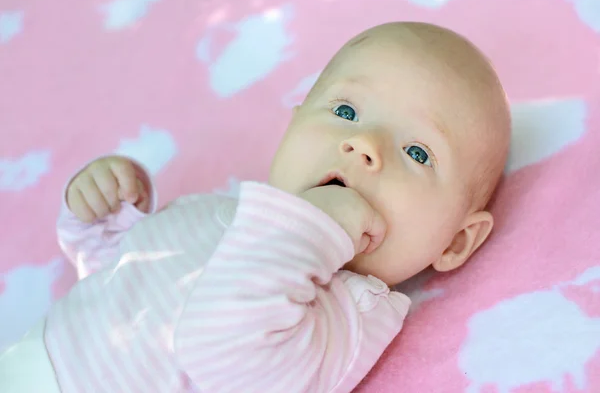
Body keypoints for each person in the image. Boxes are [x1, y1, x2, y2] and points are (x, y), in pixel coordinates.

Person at [0, 21, 511, 393]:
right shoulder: (225, 214)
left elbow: (225, 352)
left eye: (417, 152)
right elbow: (113, 275)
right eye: (346, 111)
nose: (363, 144)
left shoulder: (352, 312)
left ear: (456, 241)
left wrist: (311, 231)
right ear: (292, 126)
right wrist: (105, 215)